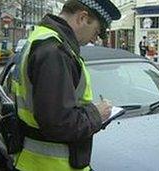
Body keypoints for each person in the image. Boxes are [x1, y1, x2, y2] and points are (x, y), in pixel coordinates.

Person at [7, 0, 121, 170]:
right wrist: (97, 114)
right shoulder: (55, 51)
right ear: (82, 18)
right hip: (52, 166)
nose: (94, 39)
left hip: (34, 162)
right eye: (97, 32)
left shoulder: (42, 37)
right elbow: (58, 124)